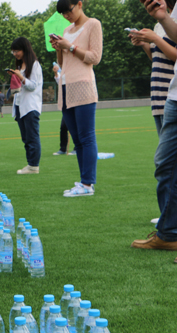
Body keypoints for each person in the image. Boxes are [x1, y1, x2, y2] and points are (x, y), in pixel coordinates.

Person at [131, 0, 177, 258]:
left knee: (167, 164)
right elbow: (160, 57)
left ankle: (169, 229)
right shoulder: (164, 21)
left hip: (169, 96)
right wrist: (146, 44)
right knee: (166, 164)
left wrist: (155, 36)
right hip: (168, 97)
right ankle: (168, 230)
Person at [50, 0, 103, 196]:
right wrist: (59, 47)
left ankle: (88, 184)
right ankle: (83, 182)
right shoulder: (66, 30)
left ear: (79, 4)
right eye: (63, 14)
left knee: (86, 136)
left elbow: (95, 58)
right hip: (65, 87)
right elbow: (63, 63)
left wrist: (70, 46)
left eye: (68, 11)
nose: (66, 16)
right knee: (78, 139)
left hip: (83, 86)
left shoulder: (93, 24)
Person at [129, 0, 177, 136]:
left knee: (166, 149)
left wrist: (155, 39)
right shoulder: (158, 25)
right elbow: (157, 59)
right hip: (158, 95)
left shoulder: (173, 23)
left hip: (171, 94)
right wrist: (144, 44)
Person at [8, 37, 43, 175]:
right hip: (19, 105)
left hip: (30, 106)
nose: (15, 54)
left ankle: (33, 166)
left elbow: (33, 86)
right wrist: (15, 76)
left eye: (17, 50)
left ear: (25, 49)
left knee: (32, 137)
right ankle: (30, 164)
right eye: (13, 51)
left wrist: (21, 77)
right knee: (26, 138)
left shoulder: (34, 65)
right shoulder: (20, 66)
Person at [52, 63, 74, 156]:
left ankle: (77, 148)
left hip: (74, 103)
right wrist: (56, 72)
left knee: (75, 127)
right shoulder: (63, 73)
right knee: (63, 127)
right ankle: (63, 149)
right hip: (66, 105)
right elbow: (59, 80)